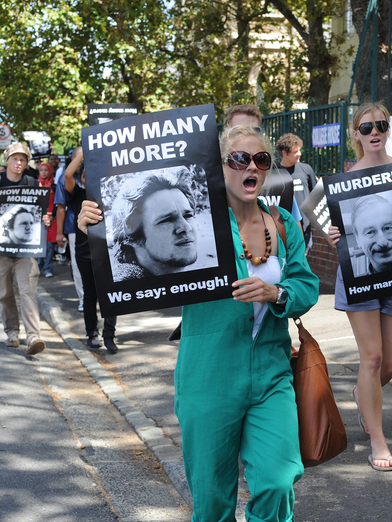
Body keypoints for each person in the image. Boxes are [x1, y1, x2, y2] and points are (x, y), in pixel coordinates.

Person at [78, 125, 319, 520]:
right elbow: (125, 275)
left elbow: (306, 285)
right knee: (211, 501)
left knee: (278, 482)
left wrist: (278, 293)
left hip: (273, 375)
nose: (250, 167)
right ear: (220, 166)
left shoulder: (282, 224)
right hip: (207, 377)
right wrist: (94, 228)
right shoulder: (199, 227)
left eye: (260, 159)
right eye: (239, 159)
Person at [328, 102, 392, 471]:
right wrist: (335, 235)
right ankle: (378, 441)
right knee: (373, 358)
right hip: (360, 277)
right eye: (366, 128)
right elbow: (334, 227)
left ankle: (364, 396)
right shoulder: (345, 180)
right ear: (355, 134)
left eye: (380, 124)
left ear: (388, 128)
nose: (373, 132)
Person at [0, 142, 51, 355]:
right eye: (15, 158)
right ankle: (11, 333)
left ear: (27, 163)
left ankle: (34, 336)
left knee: (28, 291)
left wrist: (45, 219)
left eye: (23, 159)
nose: (19, 163)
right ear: (7, 160)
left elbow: (42, 214)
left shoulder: (33, 184)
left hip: (26, 251)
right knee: (5, 293)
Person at [64, 149, 118, 352]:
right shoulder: (77, 194)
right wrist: (82, 153)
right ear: (82, 178)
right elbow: (68, 175)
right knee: (90, 295)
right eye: (86, 175)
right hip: (85, 255)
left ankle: (109, 335)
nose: (89, 178)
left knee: (111, 294)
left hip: (108, 254)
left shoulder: (109, 193)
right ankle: (91, 334)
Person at [109, 169, 199, 280]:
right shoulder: (123, 292)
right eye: (167, 219)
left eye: (188, 216)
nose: (186, 227)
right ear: (132, 235)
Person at [276, 133, 318, 252]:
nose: (299, 154)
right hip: (283, 228)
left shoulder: (306, 169)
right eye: (295, 151)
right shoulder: (275, 173)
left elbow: (317, 195)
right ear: (284, 153)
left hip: (305, 227)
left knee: (303, 261)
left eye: (299, 150)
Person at [55, 154, 85, 311]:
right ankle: (84, 299)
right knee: (78, 265)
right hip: (75, 230)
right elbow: (61, 207)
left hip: (99, 229)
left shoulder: (96, 173)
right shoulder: (66, 180)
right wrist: (59, 233)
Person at [37, 161, 57, 277]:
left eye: (46, 170)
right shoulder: (36, 185)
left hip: (52, 219)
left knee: (49, 246)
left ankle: (48, 268)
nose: (43, 172)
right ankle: (38, 266)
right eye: (41, 170)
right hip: (39, 219)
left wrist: (52, 216)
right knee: (40, 244)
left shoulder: (54, 186)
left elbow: (57, 203)